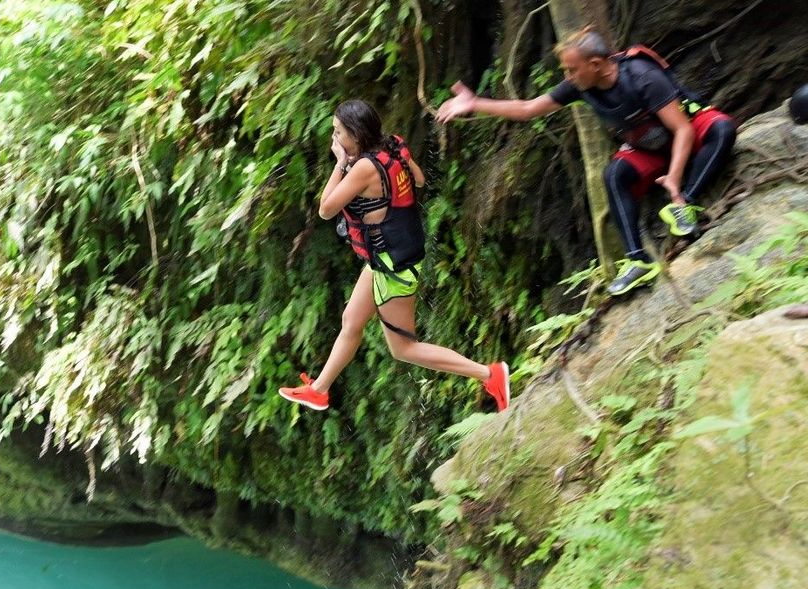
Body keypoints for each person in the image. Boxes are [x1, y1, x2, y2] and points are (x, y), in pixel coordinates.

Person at [437, 27, 737, 296]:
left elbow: (682, 129)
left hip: (684, 131)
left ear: (595, 65)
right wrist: (475, 103)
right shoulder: (579, 86)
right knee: (615, 175)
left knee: (722, 129)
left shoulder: (642, 76)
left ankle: (685, 204)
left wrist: (674, 178)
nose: (567, 77)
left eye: (571, 70)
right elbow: (529, 108)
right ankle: (637, 260)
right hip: (648, 148)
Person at [277, 99, 511, 413]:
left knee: (404, 348)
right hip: (389, 256)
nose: (334, 139)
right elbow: (418, 180)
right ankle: (319, 390)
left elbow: (326, 209)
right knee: (351, 321)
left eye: (337, 133)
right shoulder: (393, 147)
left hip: (393, 266)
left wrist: (339, 164)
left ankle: (490, 374)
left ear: (355, 136)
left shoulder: (363, 167)